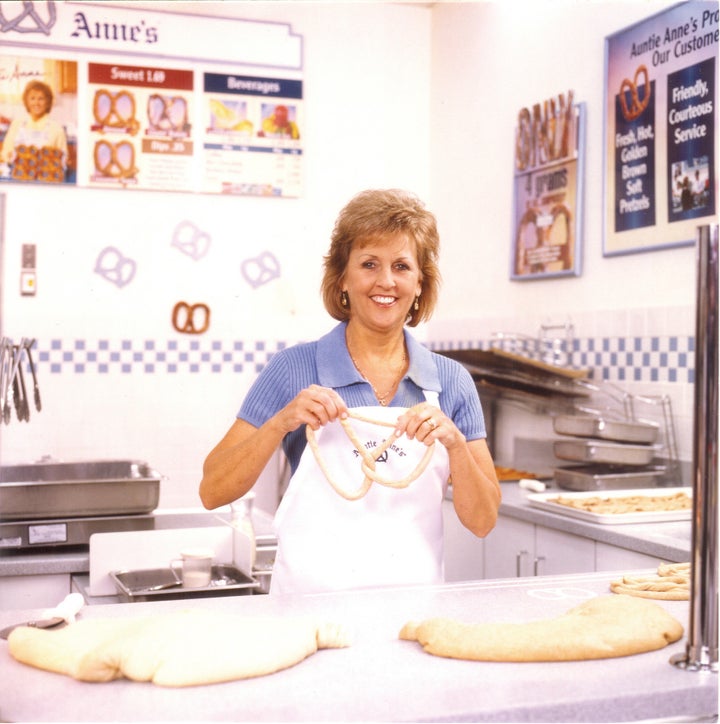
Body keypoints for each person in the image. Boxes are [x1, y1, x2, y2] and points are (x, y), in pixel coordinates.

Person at [199, 189, 500, 594]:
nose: (386, 282)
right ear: (343, 277)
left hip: (413, 617)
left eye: (402, 266)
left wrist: (457, 445)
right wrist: (280, 423)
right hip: (306, 618)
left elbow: (482, 521)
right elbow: (212, 490)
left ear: (419, 283)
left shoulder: (451, 381)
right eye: (369, 264)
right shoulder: (293, 369)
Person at [1, 80, 68, 182]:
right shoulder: (17, 124)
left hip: (45, 183)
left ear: (48, 102)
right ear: (26, 101)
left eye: (41, 99)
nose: (36, 103)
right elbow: (6, 152)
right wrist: (11, 158)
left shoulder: (56, 129)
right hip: (18, 178)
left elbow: (63, 161)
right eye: (32, 98)